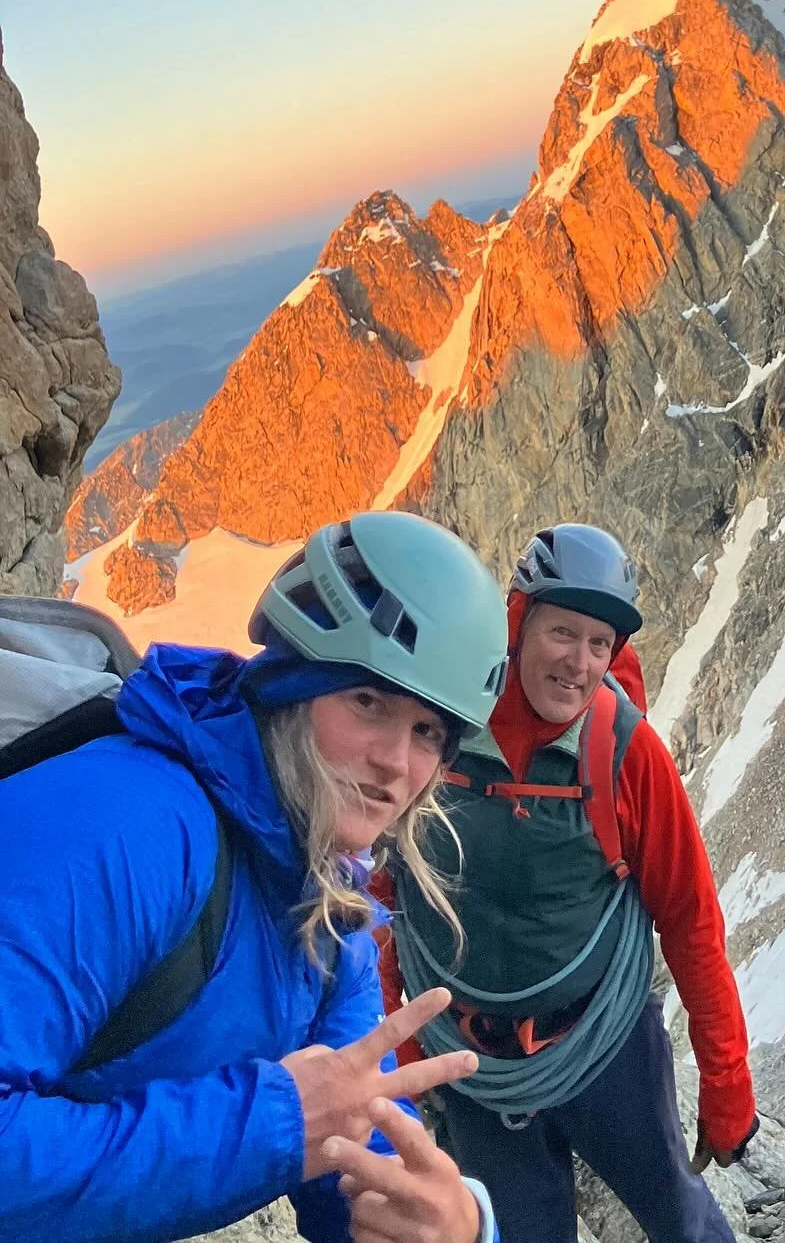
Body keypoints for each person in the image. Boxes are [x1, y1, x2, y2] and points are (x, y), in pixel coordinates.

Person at [0, 511, 509, 1243]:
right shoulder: (133, 824)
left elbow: (353, 1150)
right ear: (290, 690)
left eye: (428, 731)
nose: (396, 764)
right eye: (368, 703)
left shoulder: (332, 920)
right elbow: (303, 1119)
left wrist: (454, 1220)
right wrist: (275, 1122)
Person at [385, 523, 756, 1243]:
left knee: (683, 1223)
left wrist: (727, 1085)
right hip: (476, 1066)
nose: (579, 664)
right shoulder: (443, 723)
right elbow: (386, 897)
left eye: (599, 644)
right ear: (519, 622)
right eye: (562, 633)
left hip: (608, 1047)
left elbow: (690, 920)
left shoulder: (627, 752)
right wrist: (401, 1061)